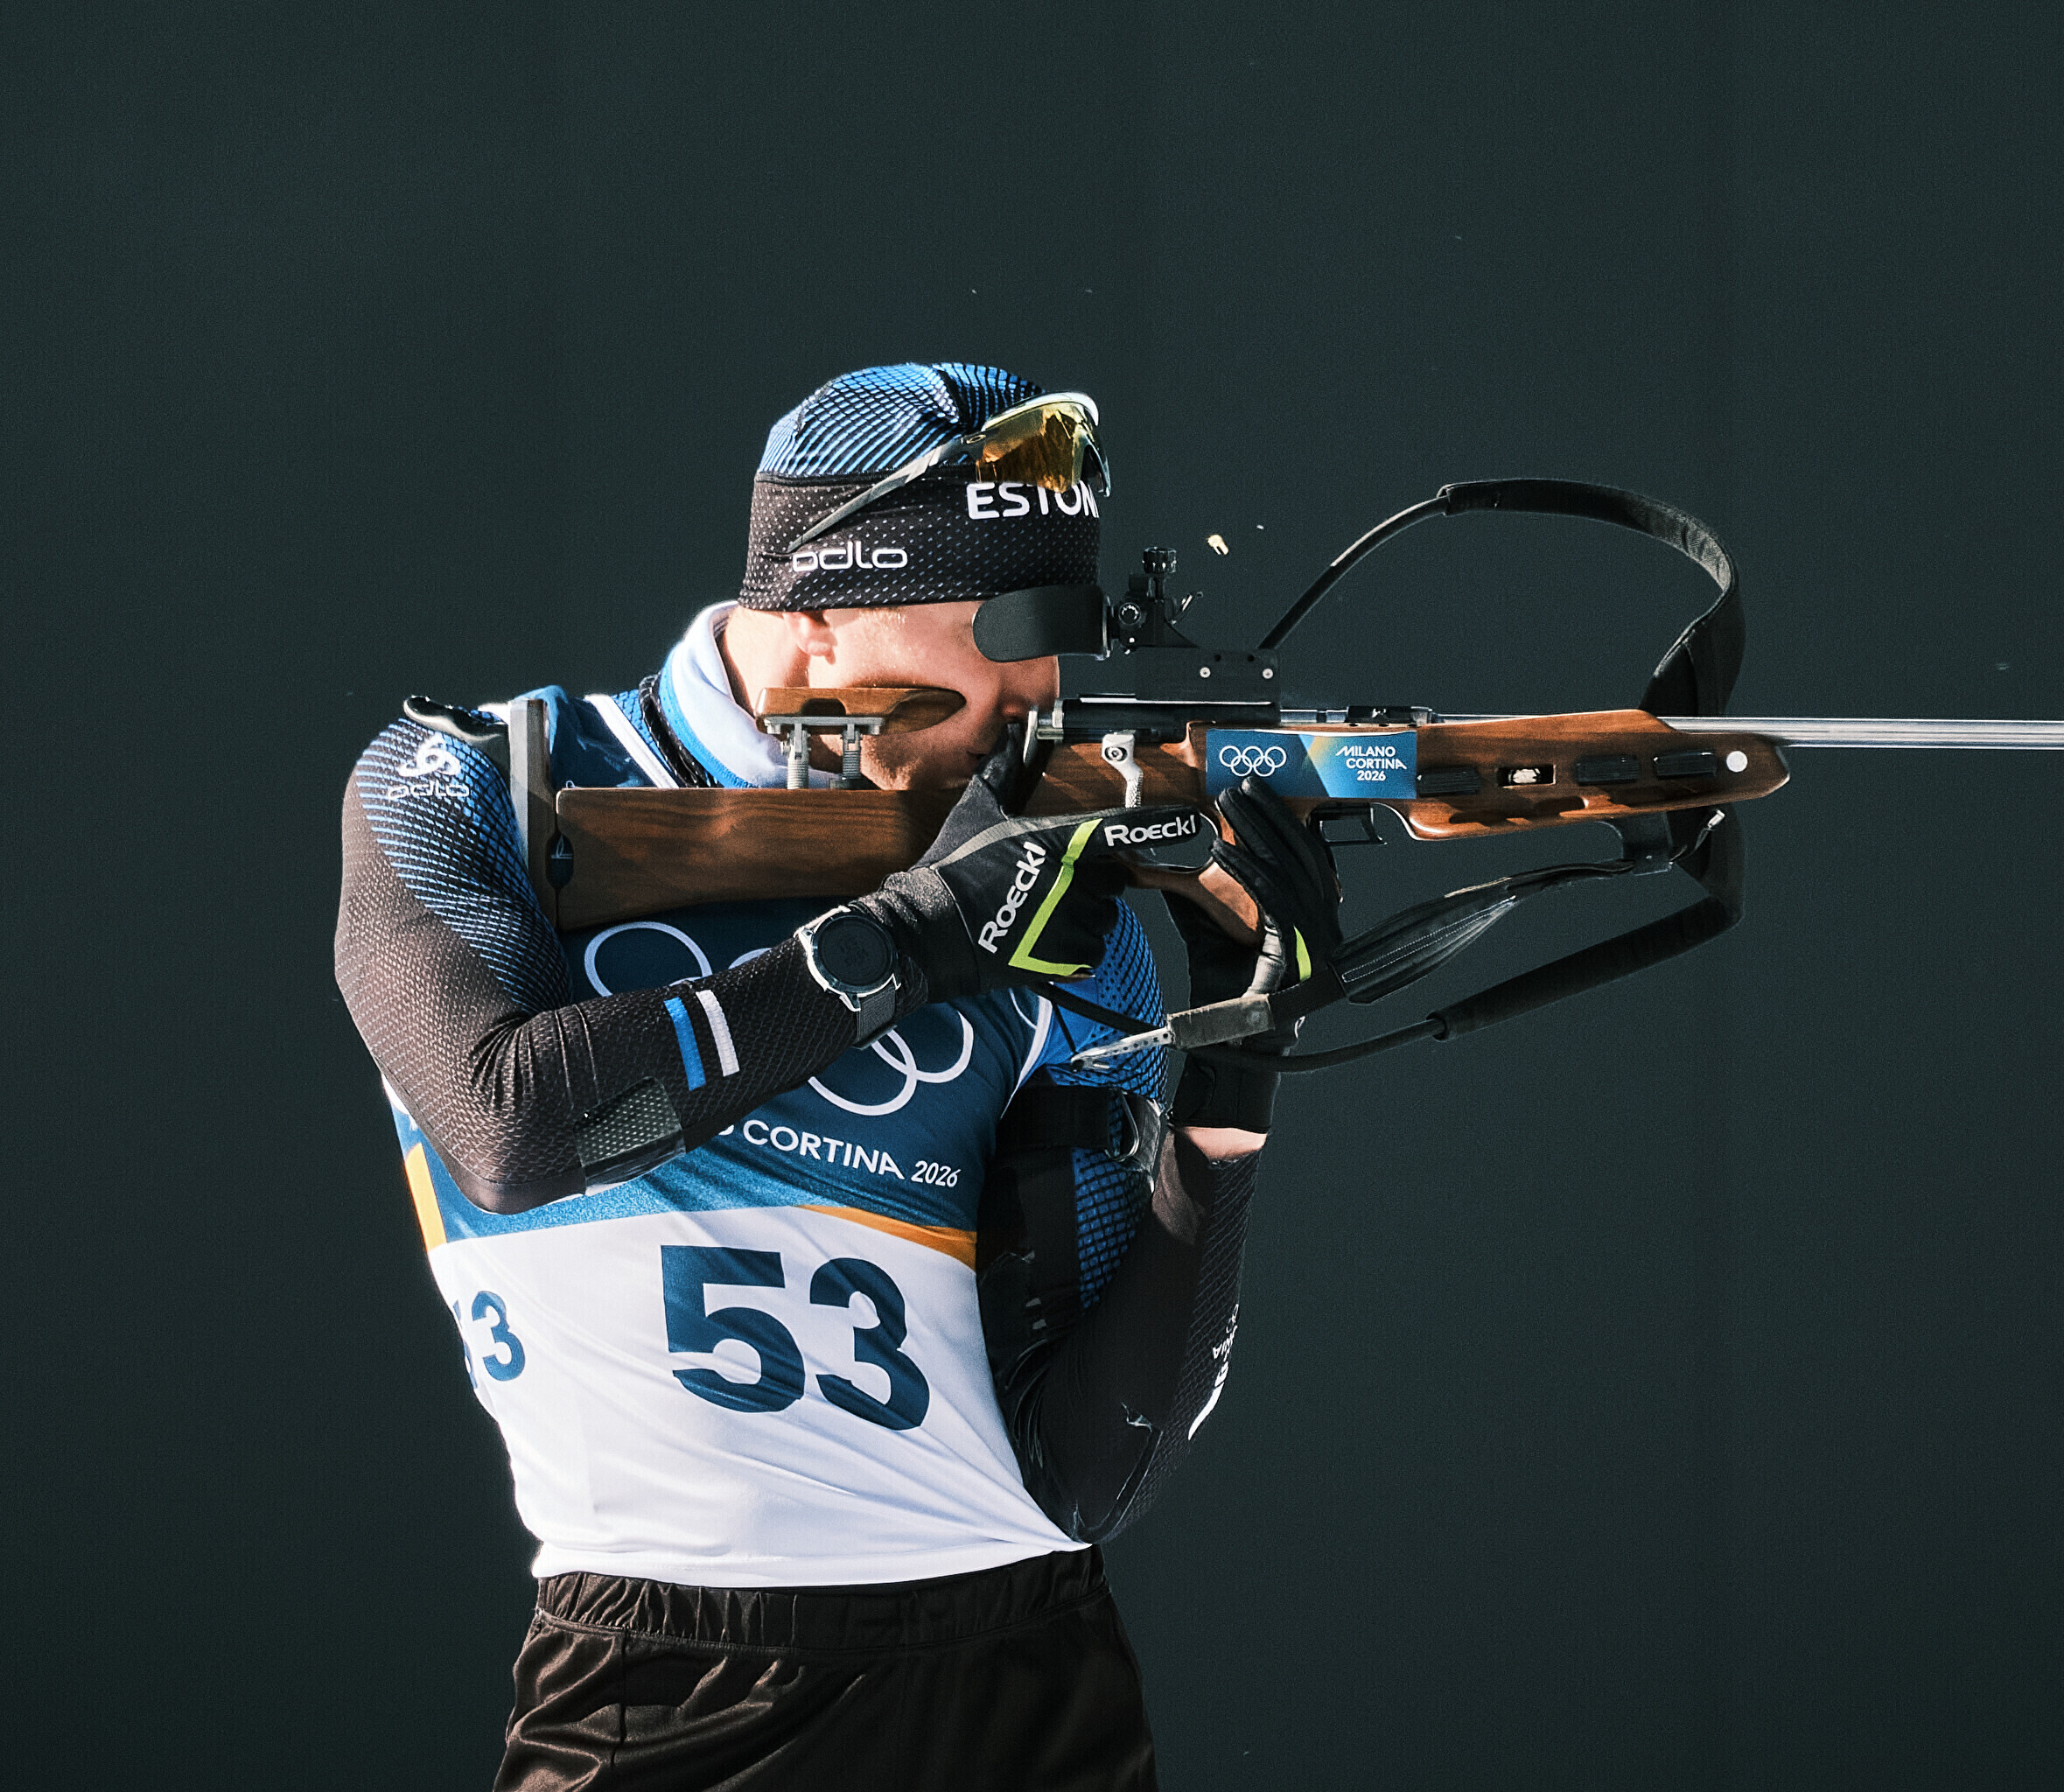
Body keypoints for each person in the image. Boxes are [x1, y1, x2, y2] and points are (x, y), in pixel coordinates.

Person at [334, 362, 1339, 1790]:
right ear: (815, 617)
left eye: (1063, 643)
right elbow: (511, 1127)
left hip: (1032, 1679)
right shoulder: (479, 781)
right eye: (1001, 637)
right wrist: (921, 935)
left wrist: (1238, 1067)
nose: (1034, 701)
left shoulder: (1061, 890)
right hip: (665, 1676)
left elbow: (1088, 1478)